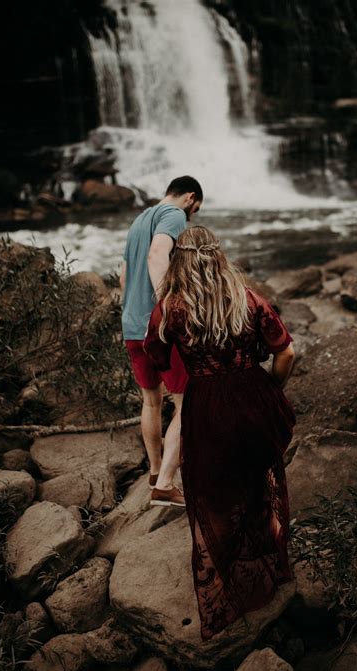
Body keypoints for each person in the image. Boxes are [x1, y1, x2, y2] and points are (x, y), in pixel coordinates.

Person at [143, 225, 296, 640]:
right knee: (256, 479)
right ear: (219, 256)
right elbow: (286, 350)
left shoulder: (172, 308)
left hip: (208, 406)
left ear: (182, 261)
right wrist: (270, 390)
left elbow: (155, 355)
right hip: (255, 399)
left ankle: (227, 581)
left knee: (214, 491)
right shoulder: (247, 299)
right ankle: (272, 567)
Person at [120, 176, 203, 507]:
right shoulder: (174, 215)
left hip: (131, 324)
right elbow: (158, 255)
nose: (192, 216)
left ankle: (155, 471)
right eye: (195, 209)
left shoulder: (138, 220)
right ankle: (166, 484)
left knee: (151, 401)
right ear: (189, 198)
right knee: (187, 402)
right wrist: (166, 305)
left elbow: (124, 275)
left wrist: (131, 313)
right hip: (158, 326)